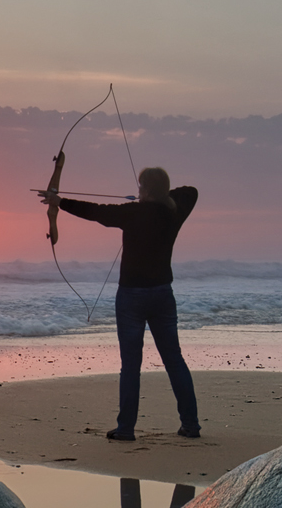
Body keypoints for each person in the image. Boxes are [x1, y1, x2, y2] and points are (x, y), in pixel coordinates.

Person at [42, 161, 199, 439]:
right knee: (174, 359)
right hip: (162, 293)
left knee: (131, 364)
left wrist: (59, 201)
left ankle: (126, 429)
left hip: (132, 297)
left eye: (141, 187)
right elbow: (191, 191)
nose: (137, 191)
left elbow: (96, 212)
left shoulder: (132, 212)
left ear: (148, 190)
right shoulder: (175, 210)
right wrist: (159, 197)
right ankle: (190, 425)